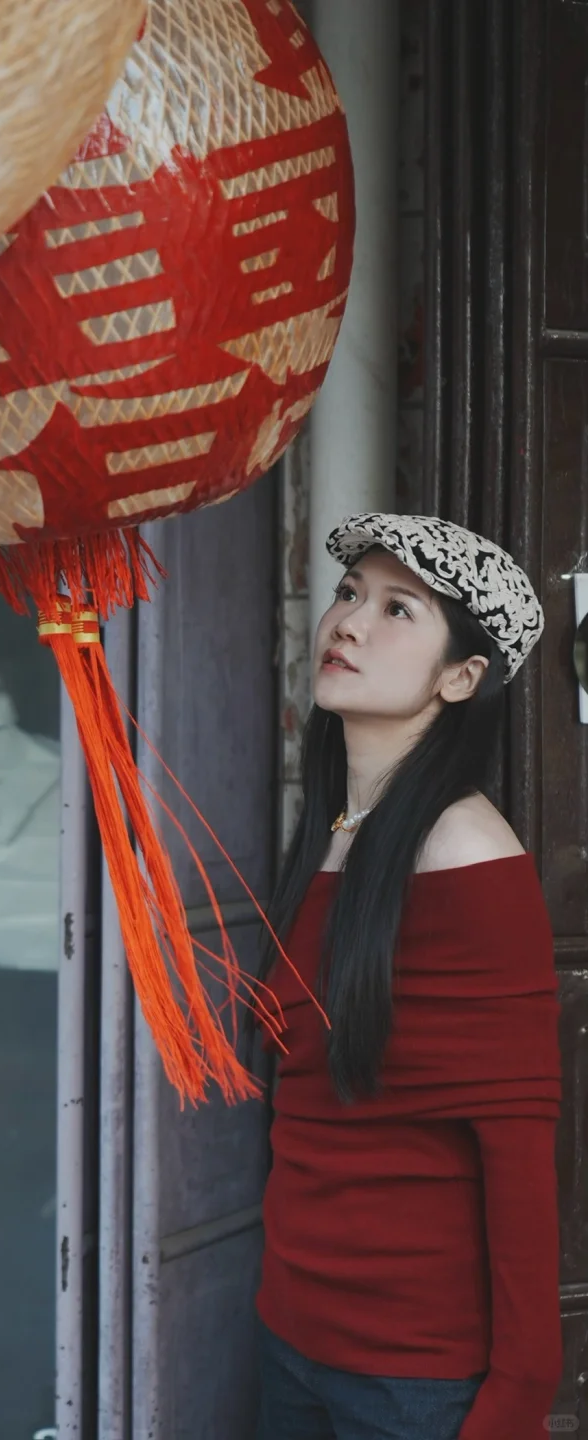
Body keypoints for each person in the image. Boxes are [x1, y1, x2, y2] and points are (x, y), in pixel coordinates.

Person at [247, 514, 561, 1440]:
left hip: (413, 1374)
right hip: (291, 1332)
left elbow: (517, 1149)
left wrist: (518, 1394)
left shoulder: (464, 849)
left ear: (461, 678)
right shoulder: (335, 834)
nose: (347, 622)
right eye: (349, 594)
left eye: (397, 609)